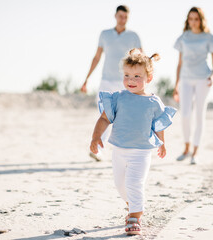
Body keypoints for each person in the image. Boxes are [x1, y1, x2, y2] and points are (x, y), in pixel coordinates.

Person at [90, 49, 176, 235]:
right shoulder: (119, 98)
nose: (131, 80)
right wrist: (96, 137)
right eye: (127, 75)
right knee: (120, 185)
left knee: (134, 183)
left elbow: (158, 124)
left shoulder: (153, 102)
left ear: (149, 78)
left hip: (141, 152)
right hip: (119, 151)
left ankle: (135, 217)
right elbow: (104, 119)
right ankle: (134, 205)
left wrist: (161, 143)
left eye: (137, 76)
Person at [81, 5, 142, 161]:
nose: (122, 19)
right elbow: (97, 57)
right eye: (120, 16)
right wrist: (86, 79)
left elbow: (142, 60)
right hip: (106, 81)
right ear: (115, 16)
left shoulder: (133, 36)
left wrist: (141, 82)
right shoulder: (105, 34)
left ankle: (109, 150)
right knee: (104, 114)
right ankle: (98, 148)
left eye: (125, 17)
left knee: (119, 117)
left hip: (126, 82)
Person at [172, 6, 213, 165]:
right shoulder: (183, 37)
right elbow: (179, 64)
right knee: (185, 114)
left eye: (196, 19)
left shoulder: (208, 37)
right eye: (190, 19)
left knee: (199, 115)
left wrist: (212, 76)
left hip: (203, 79)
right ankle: (186, 148)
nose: (193, 22)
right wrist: (176, 85)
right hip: (186, 79)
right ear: (188, 20)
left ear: (201, 20)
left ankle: (195, 152)